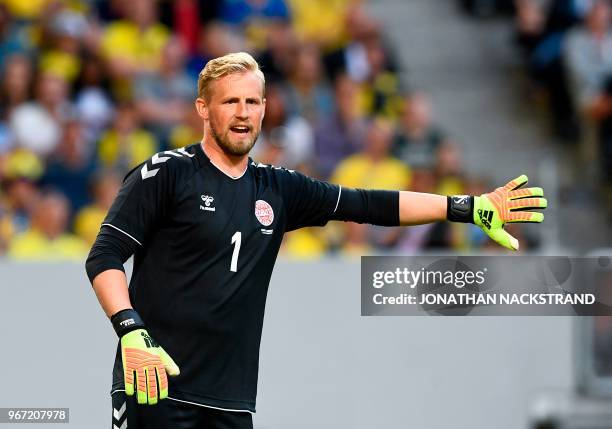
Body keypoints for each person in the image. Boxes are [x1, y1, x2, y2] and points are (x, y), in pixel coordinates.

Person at [85, 52, 547, 429]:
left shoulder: (279, 187)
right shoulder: (167, 173)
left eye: (253, 102)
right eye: (230, 103)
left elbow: (369, 204)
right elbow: (104, 257)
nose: (243, 113)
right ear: (203, 108)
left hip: (231, 400)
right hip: (154, 384)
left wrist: (462, 207)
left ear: (265, 108)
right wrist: (131, 331)